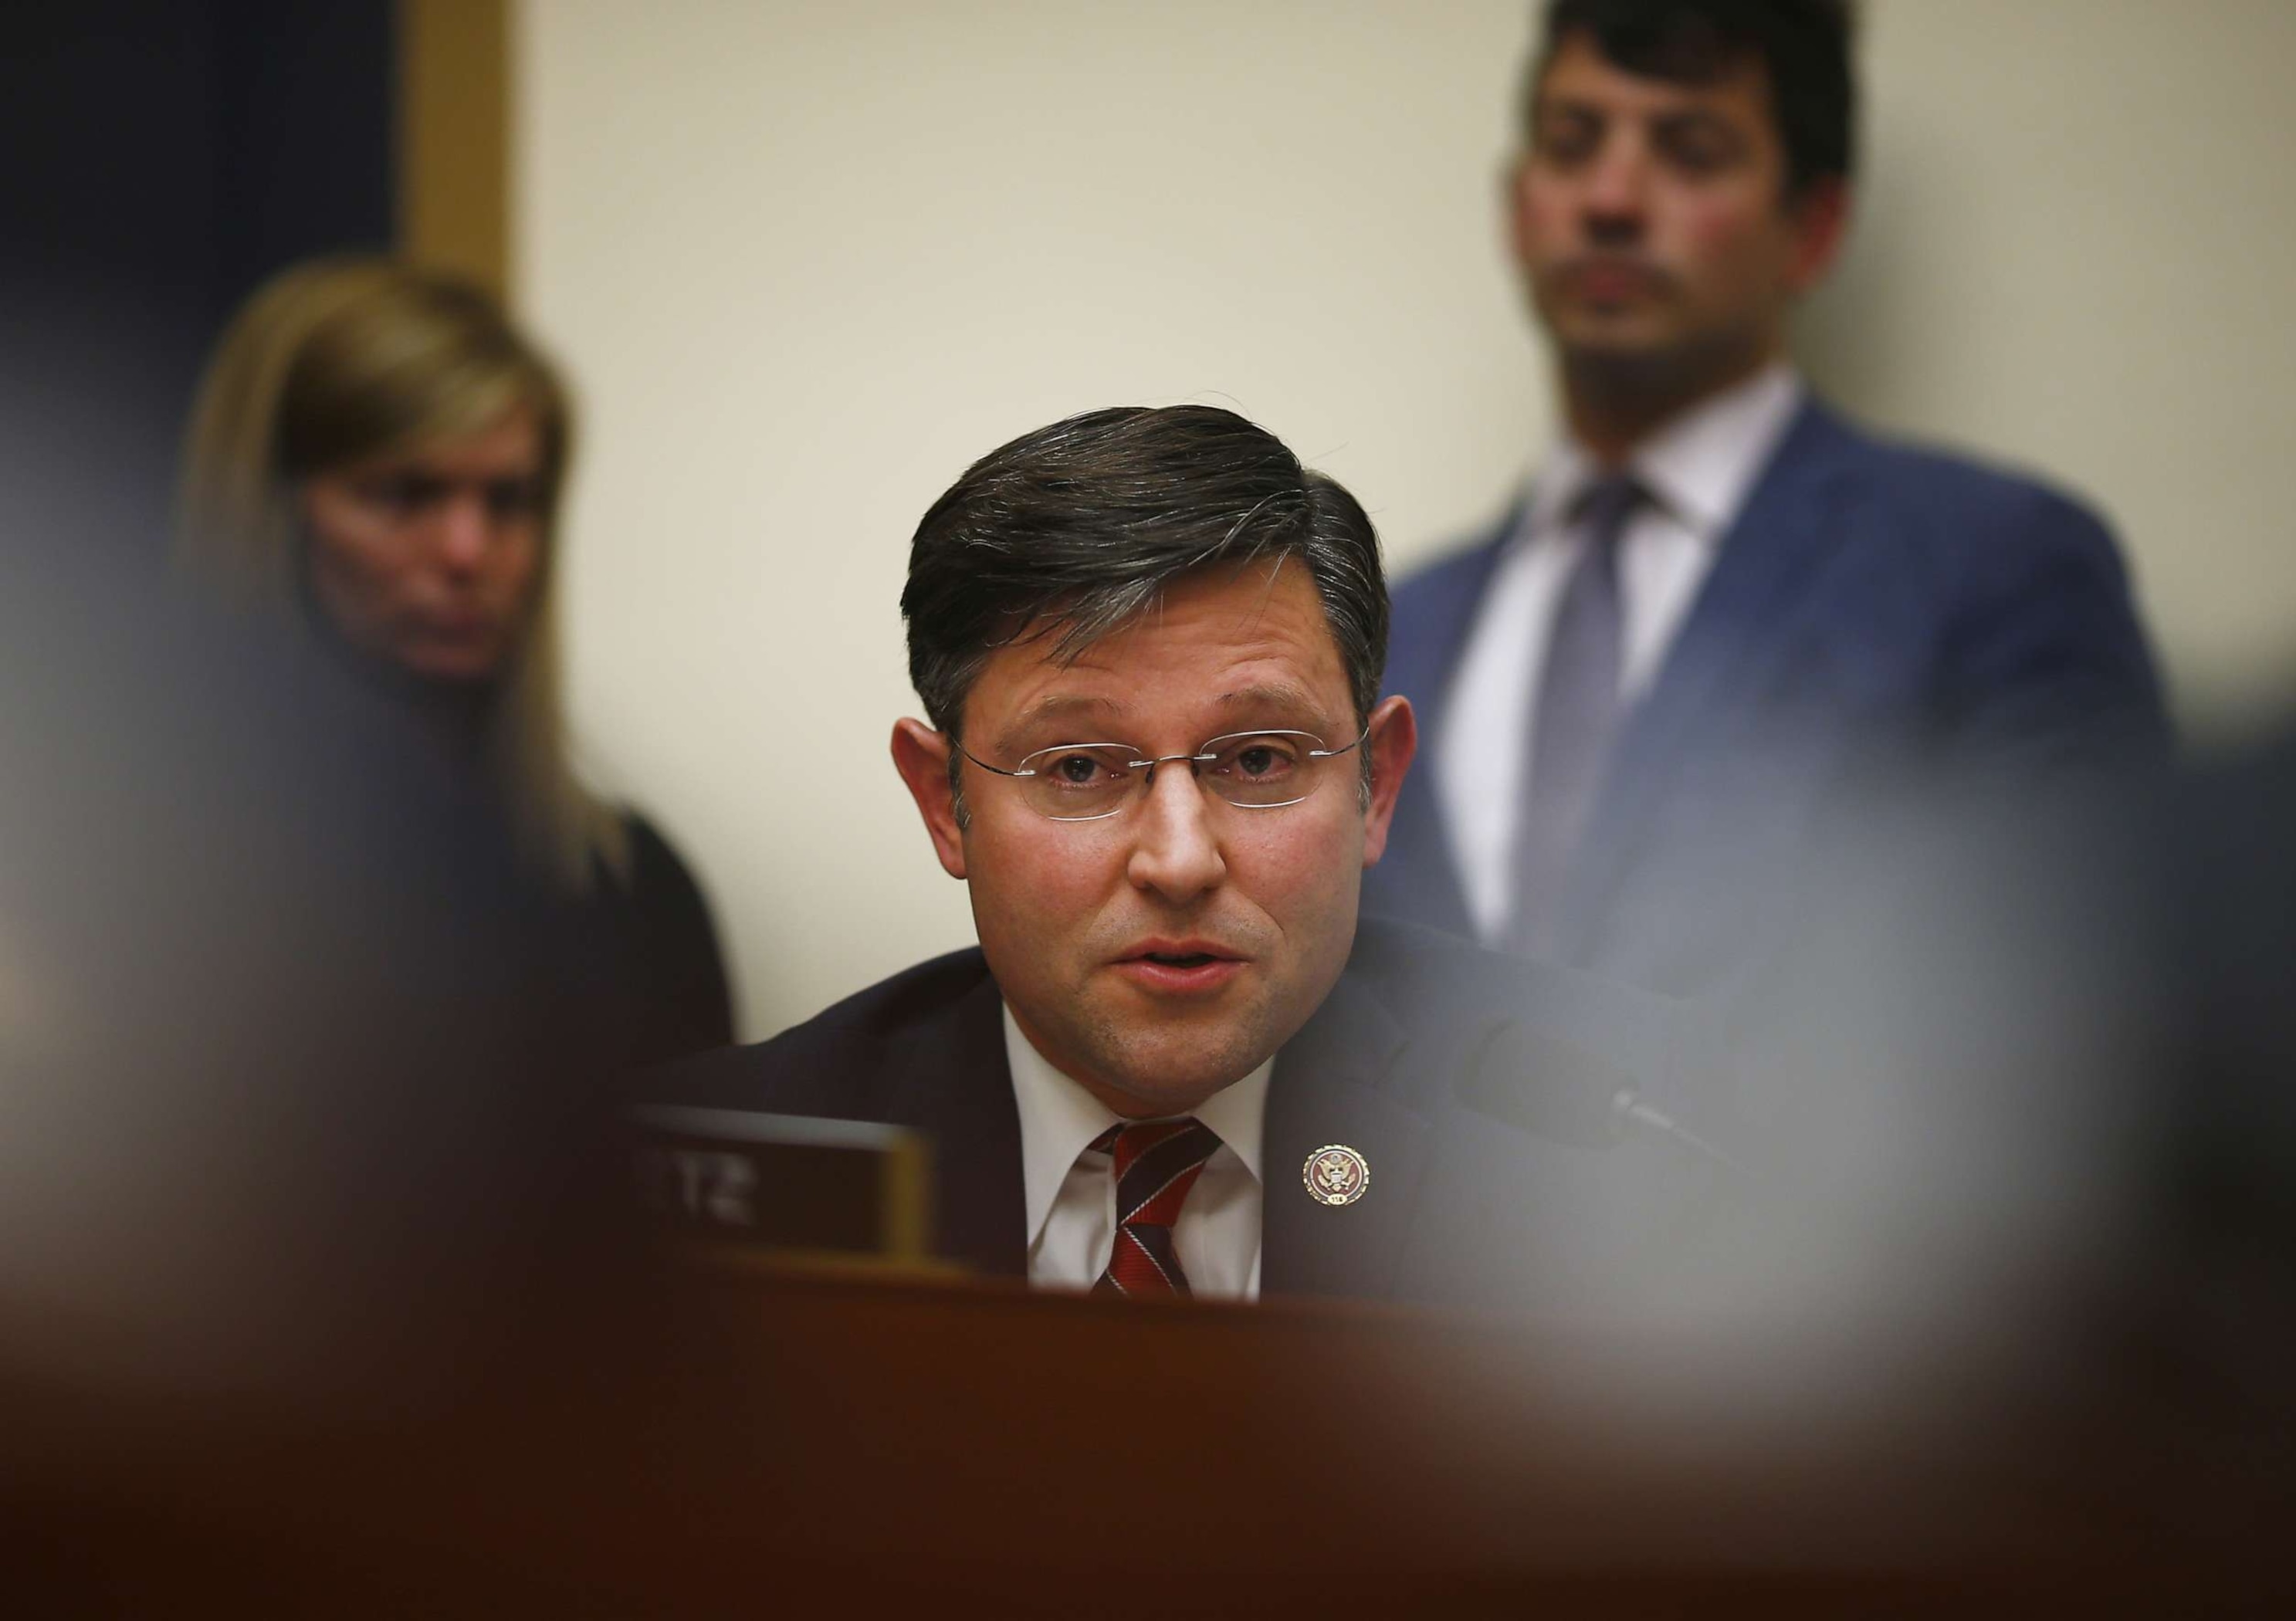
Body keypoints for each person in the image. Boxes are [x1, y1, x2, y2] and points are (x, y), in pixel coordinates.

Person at [653, 404, 1682, 1305]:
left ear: (1379, 785)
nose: (1181, 861)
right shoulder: (709, 1178)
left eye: (1260, 757)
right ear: (946, 803)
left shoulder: (1622, 1142)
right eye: (1080, 769)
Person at [1364, 0, 2166, 995]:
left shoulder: (1996, 567)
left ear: (1814, 227)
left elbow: (2086, 1011)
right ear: (1516, 203)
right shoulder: (1396, 625)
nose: (1610, 196)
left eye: (1691, 150)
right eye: (1572, 145)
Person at [176, 257, 733, 1068]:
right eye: (402, 495)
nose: (467, 552)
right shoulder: (136, 886)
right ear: (271, 509)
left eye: (510, 502)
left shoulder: (628, 888)